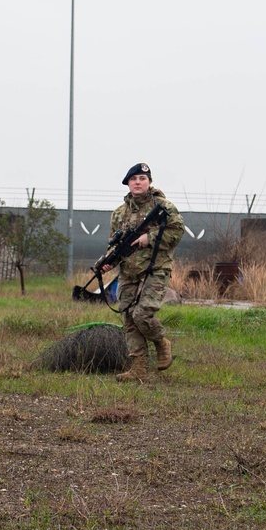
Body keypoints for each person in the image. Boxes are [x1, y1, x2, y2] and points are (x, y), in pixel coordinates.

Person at [105, 163, 185, 382]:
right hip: (128, 272)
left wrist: (149, 238)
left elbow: (177, 231)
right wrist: (106, 263)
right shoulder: (119, 213)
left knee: (142, 314)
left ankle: (161, 342)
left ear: (149, 181)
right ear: (128, 183)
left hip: (156, 269)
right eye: (134, 179)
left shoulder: (163, 206)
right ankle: (138, 368)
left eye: (142, 178)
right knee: (129, 318)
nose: (138, 182)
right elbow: (114, 246)